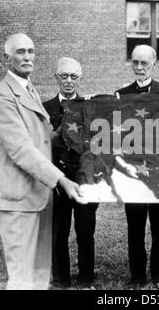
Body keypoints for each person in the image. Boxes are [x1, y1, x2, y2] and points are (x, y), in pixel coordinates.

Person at [0, 33, 85, 290]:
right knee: (21, 278)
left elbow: (39, 140)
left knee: (39, 278)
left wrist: (64, 134)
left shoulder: (28, 89)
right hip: (17, 201)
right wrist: (61, 180)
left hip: (37, 197)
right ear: (6, 58)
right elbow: (21, 149)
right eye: (20, 52)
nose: (27, 57)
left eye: (31, 51)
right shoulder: (2, 97)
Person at [115, 45, 159, 288]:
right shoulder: (121, 94)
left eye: (144, 63)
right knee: (135, 226)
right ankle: (138, 276)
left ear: (154, 64)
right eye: (135, 62)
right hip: (133, 172)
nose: (139, 67)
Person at [43, 57, 98, 288]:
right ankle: (61, 278)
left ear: (80, 78)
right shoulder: (44, 108)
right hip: (56, 180)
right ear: (56, 77)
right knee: (58, 231)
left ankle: (86, 276)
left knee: (85, 230)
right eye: (63, 76)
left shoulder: (90, 108)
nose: (68, 81)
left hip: (83, 178)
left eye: (73, 76)